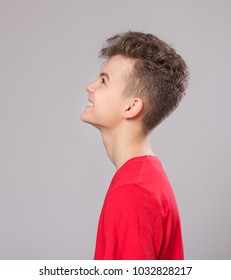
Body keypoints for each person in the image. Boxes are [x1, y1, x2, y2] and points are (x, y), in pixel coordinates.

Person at [81, 31, 189, 260]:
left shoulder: (132, 193)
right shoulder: (144, 179)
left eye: (103, 81)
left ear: (131, 107)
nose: (90, 87)